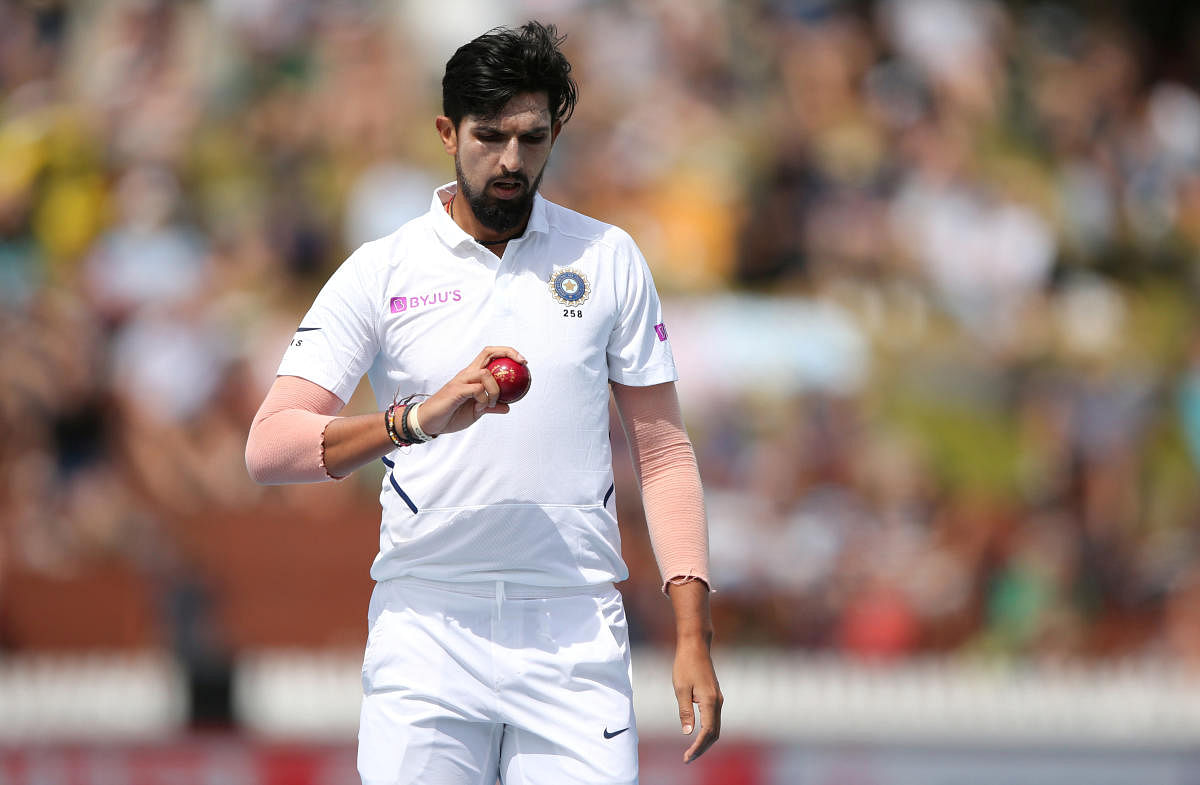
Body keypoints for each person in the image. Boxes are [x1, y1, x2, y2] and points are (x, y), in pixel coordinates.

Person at [245, 21, 721, 785]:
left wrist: (693, 630)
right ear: (446, 131)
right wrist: (414, 420)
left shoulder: (607, 257)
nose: (510, 161)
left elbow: (662, 452)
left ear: (555, 133)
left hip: (572, 628)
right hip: (426, 624)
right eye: (489, 136)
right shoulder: (382, 269)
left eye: (532, 139)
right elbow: (270, 447)